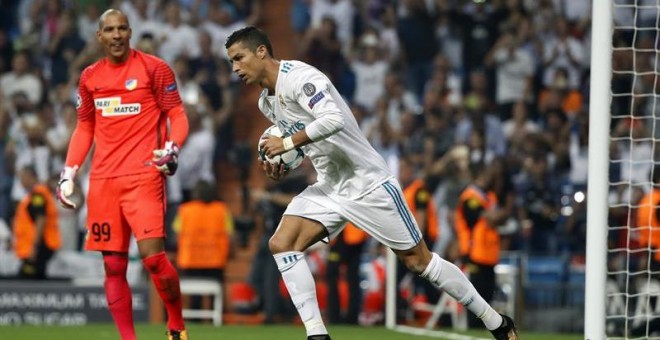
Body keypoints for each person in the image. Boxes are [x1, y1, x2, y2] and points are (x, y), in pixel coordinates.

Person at [225, 26, 518, 340]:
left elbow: (333, 119)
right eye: (231, 62)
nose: (235, 68)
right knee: (281, 244)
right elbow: (302, 143)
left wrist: (286, 144)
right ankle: (317, 334)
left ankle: (497, 323)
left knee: (419, 262)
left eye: (239, 58)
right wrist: (284, 164)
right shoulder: (266, 104)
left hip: (367, 181)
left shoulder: (300, 78)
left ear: (261, 52)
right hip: (330, 185)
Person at [55, 9, 189, 340]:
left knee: (153, 259)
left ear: (130, 32)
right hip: (102, 182)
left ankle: (176, 326)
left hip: (143, 177)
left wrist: (172, 147)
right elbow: (84, 128)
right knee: (113, 267)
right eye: (109, 30)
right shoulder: (89, 78)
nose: (116, 35)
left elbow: (178, 114)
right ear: (99, 36)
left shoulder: (154, 69)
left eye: (122, 29)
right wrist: (69, 171)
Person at [13, 166, 61, 279]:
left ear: (30, 177)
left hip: (39, 246)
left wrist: (35, 247)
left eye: (22, 178)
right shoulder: (35, 194)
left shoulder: (38, 194)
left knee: (28, 279)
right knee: (37, 277)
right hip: (35, 246)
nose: (21, 182)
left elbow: (41, 220)